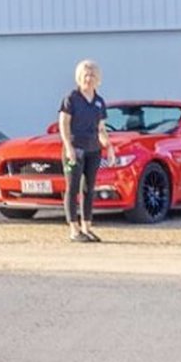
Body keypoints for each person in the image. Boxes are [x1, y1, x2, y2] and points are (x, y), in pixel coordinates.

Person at [59, 59, 116, 243]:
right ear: (79, 77)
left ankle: (87, 227)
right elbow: (64, 124)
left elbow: (101, 128)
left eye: (92, 75)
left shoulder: (99, 102)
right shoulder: (71, 99)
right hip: (75, 149)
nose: (88, 79)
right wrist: (68, 147)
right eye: (85, 75)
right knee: (72, 188)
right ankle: (74, 229)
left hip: (93, 150)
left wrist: (109, 147)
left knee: (89, 189)